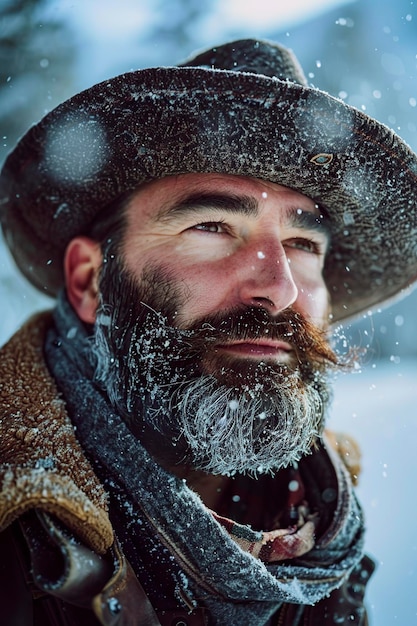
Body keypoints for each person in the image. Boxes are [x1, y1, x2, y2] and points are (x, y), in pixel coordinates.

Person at [0, 37, 416, 626]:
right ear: (90, 281)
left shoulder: (323, 527)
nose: (279, 288)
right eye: (213, 227)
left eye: (301, 245)